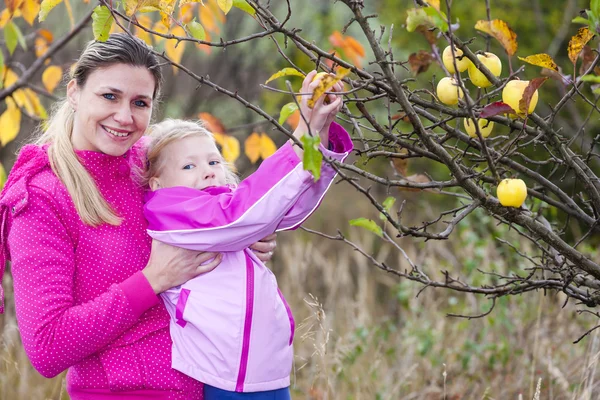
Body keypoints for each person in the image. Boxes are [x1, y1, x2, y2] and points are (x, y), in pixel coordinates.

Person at [0, 33, 290, 400]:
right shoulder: (42, 199)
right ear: (74, 92)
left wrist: (241, 235)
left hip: (211, 386)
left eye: (140, 102)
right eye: (109, 96)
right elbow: (48, 345)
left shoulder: (152, 162)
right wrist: (153, 280)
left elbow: (216, 206)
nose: (124, 116)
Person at [142, 76, 351, 399]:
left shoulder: (233, 208)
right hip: (221, 376)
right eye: (189, 166)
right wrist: (300, 136)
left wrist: (318, 136)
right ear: (156, 183)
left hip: (267, 370)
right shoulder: (170, 211)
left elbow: (287, 209)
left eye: (213, 161)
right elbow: (234, 215)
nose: (209, 170)